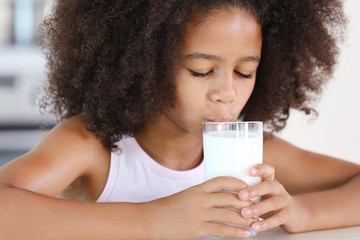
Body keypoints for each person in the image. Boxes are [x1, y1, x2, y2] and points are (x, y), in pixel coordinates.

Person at [0, 0, 359, 239]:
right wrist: (152, 219)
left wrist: (301, 213)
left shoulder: (252, 151)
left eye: (245, 72)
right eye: (202, 71)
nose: (227, 92)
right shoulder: (92, 144)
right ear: (140, 66)